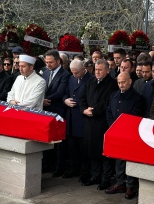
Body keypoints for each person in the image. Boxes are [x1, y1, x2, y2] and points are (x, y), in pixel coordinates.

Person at [79, 59, 118, 190]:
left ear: (107, 70)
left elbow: (108, 101)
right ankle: (93, 176)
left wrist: (94, 111)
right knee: (90, 150)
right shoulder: (90, 81)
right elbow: (82, 97)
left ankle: (104, 179)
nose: (97, 72)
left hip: (102, 122)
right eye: (96, 70)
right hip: (89, 122)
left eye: (100, 70)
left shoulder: (112, 84)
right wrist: (84, 109)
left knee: (102, 152)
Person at [105, 72, 144, 199]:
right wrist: (113, 126)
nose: (121, 85)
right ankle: (120, 183)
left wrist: (121, 128)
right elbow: (109, 111)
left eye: (123, 82)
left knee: (130, 159)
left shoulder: (137, 97)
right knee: (119, 160)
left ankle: (130, 186)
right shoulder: (114, 95)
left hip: (130, 134)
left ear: (130, 81)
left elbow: (135, 116)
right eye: (119, 82)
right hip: (116, 133)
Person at [62, 60, 92, 179]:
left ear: (83, 70)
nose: (75, 75)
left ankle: (85, 172)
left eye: (77, 73)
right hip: (71, 118)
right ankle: (74, 168)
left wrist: (77, 103)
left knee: (83, 148)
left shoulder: (90, 79)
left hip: (82, 118)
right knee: (72, 147)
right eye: (73, 73)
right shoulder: (71, 78)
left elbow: (91, 99)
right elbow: (65, 93)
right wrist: (65, 100)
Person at [42, 50, 70, 177]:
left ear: (58, 61)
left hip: (57, 110)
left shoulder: (65, 75)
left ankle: (59, 167)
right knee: (46, 138)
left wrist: (47, 100)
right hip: (45, 110)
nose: (48, 64)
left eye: (51, 62)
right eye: (46, 62)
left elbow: (60, 92)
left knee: (59, 142)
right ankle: (45, 164)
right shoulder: (45, 72)